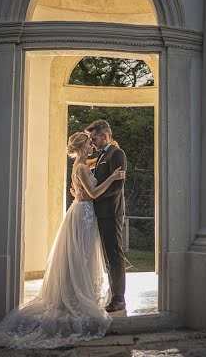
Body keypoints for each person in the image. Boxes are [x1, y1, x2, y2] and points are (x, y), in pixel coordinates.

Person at [0, 132, 125, 348]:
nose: (92, 146)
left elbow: (88, 174)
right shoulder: (82, 167)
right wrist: (112, 178)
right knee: (82, 257)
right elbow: (93, 193)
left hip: (82, 213)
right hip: (84, 214)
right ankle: (78, 296)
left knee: (82, 257)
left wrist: (108, 152)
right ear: (82, 147)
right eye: (89, 143)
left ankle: (79, 293)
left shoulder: (82, 163)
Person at [83, 119, 129, 312]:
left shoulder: (117, 154)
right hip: (100, 213)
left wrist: (94, 197)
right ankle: (112, 294)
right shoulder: (102, 155)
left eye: (94, 138)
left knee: (115, 255)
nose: (92, 142)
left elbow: (117, 187)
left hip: (111, 212)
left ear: (104, 135)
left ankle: (119, 299)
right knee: (107, 256)